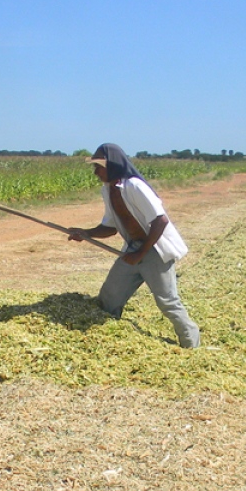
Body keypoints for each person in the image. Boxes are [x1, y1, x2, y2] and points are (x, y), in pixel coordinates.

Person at [68, 143, 201, 349]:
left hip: (155, 251)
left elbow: (160, 221)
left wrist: (141, 253)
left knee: (167, 302)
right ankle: (106, 340)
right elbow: (109, 227)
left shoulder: (135, 187)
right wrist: (86, 233)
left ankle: (192, 345)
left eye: (98, 167)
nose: (95, 172)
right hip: (133, 250)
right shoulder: (108, 190)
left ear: (112, 165)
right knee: (109, 298)